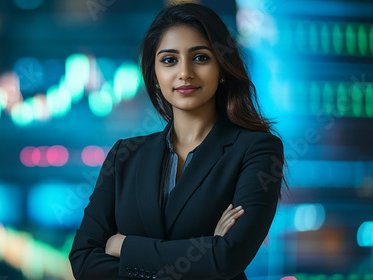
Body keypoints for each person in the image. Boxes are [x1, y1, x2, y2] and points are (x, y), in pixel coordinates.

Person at [69, 3, 285, 279]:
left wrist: (124, 245)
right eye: (169, 60)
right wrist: (205, 253)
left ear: (222, 67)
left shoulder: (258, 151)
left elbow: (226, 258)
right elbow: (83, 260)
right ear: (154, 75)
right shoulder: (125, 154)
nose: (185, 72)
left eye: (200, 58)